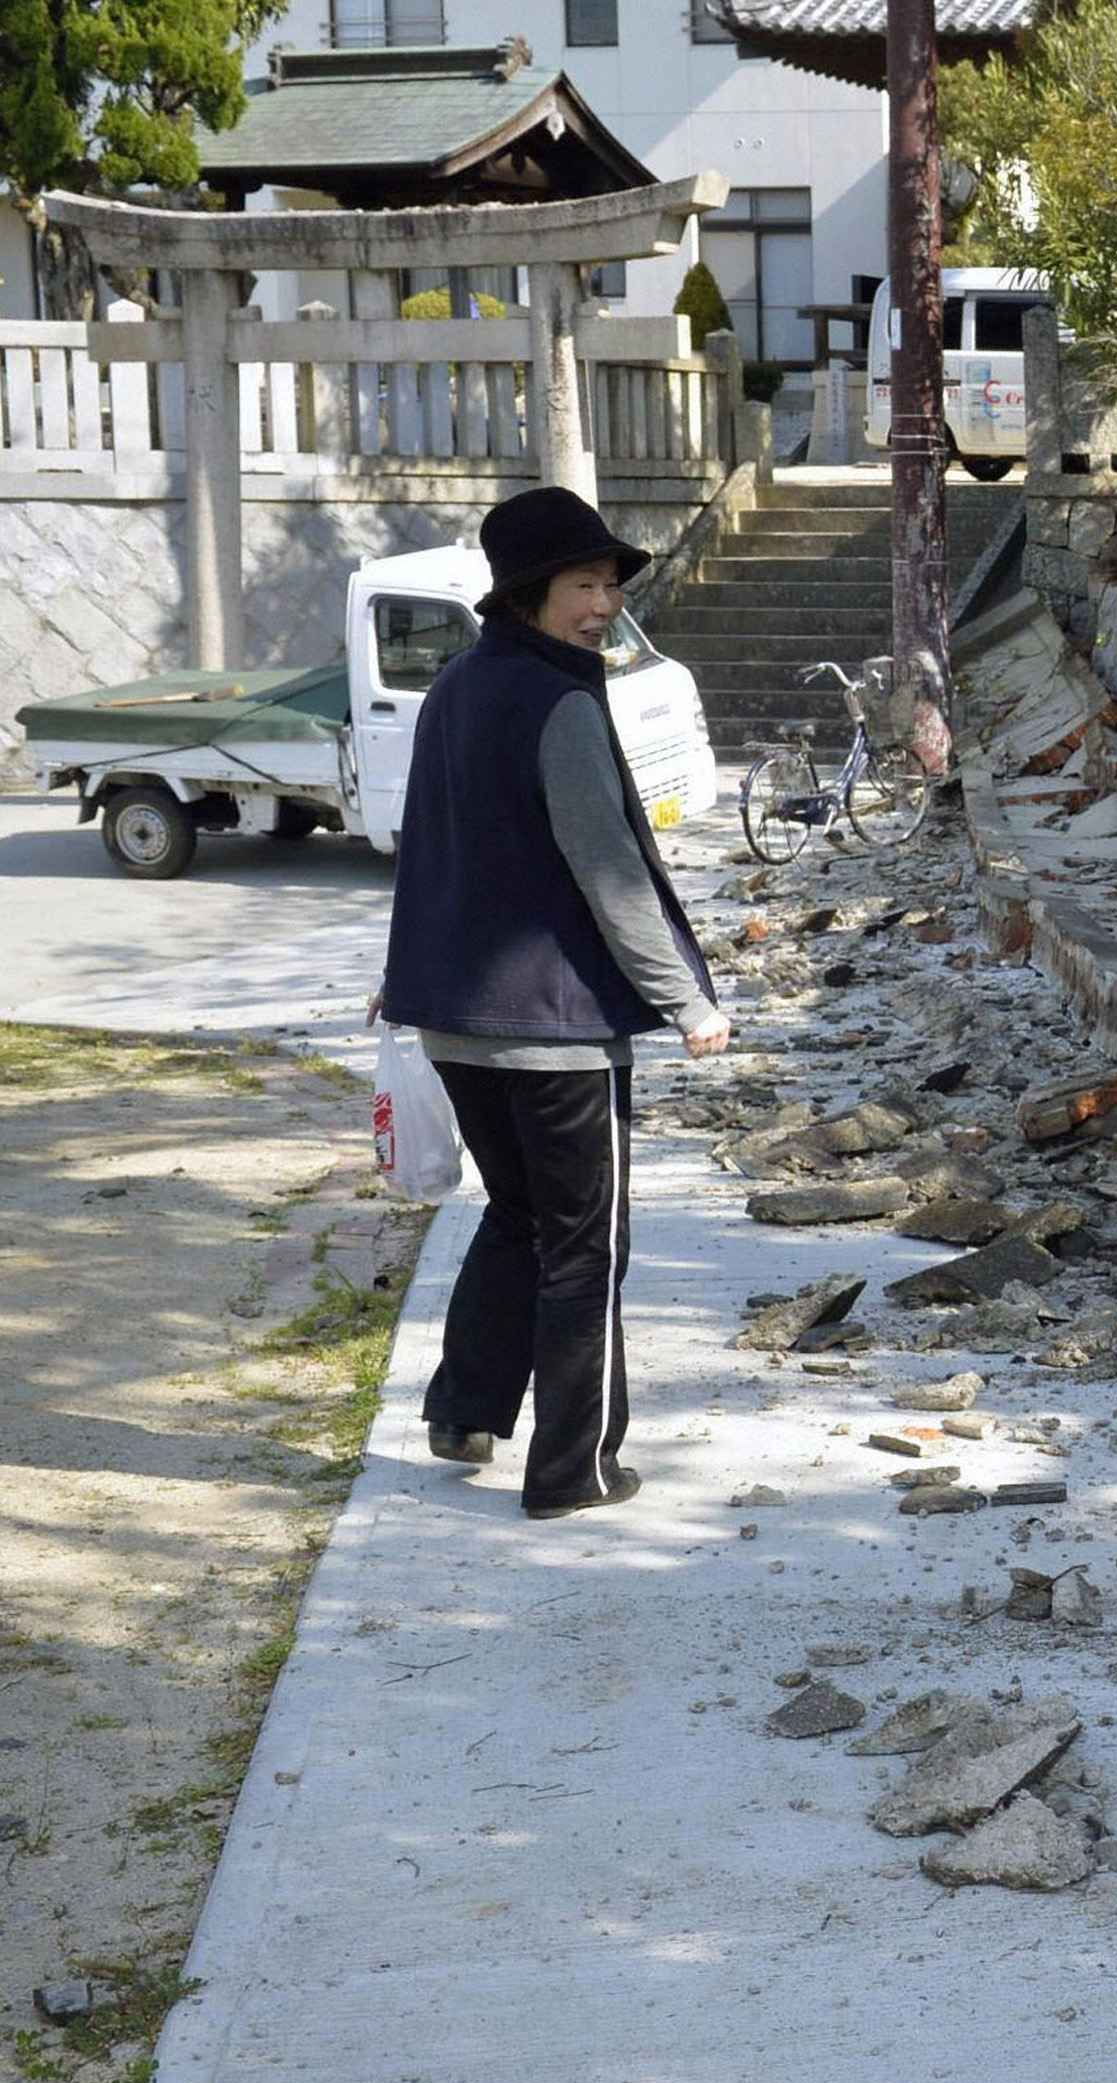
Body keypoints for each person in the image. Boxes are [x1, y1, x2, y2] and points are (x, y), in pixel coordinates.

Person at [378, 486, 729, 1520]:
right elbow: (610, 870)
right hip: (558, 1031)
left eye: (613, 583)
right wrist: (687, 1004)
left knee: (520, 1215)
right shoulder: (561, 704)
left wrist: (402, 978)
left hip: (455, 1020)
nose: (605, 604)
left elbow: (432, 843)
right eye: (585, 584)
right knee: (585, 1246)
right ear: (528, 595)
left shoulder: (454, 687)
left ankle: (465, 1407)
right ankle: (573, 1467)